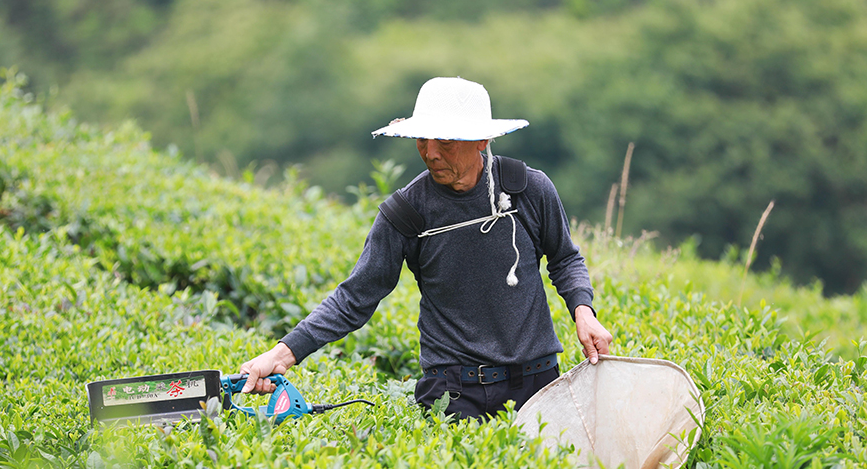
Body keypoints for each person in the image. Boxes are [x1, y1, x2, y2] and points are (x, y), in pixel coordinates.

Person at [239, 76, 612, 420]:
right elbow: (355, 297)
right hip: (454, 389)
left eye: (445, 141)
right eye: (423, 140)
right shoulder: (406, 212)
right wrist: (281, 355)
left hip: (538, 382)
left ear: (481, 141)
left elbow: (564, 258)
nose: (430, 152)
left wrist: (583, 310)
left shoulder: (527, 188)